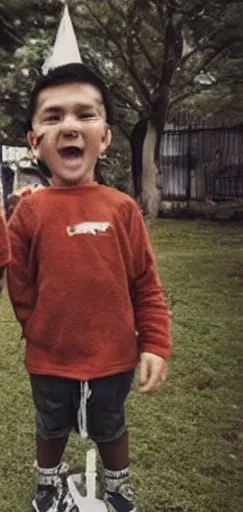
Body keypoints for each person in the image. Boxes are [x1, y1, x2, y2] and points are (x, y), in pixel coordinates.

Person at [5, 62, 172, 512]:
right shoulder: (30, 213)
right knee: (51, 424)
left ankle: (118, 487)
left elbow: (145, 283)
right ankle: (48, 483)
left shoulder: (122, 209)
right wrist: (38, 325)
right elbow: (17, 280)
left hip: (114, 356)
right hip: (49, 357)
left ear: (106, 135)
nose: (70, 126)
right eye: (53, 117)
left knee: (111, 424)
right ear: (34, 141)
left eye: (85, 114)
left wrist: (154, 342)